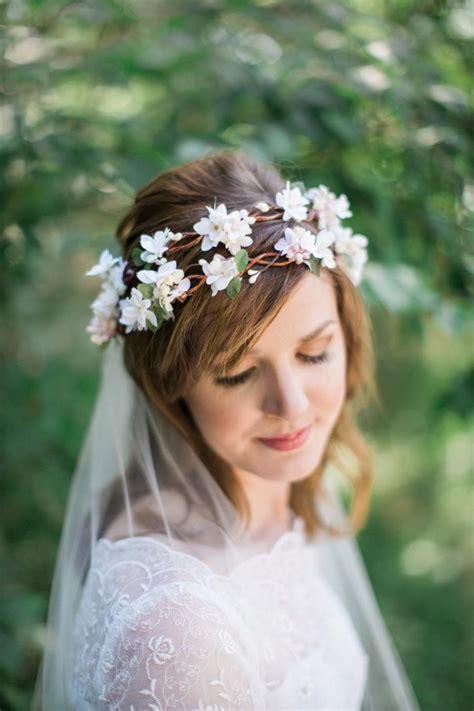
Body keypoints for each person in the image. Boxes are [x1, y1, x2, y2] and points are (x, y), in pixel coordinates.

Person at [33, 151, 420, 710]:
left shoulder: (287, 495)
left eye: (315, 354)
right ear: (172, 385)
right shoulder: (176, 633)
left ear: (348, 338)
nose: (291, 406)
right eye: (237, 373)